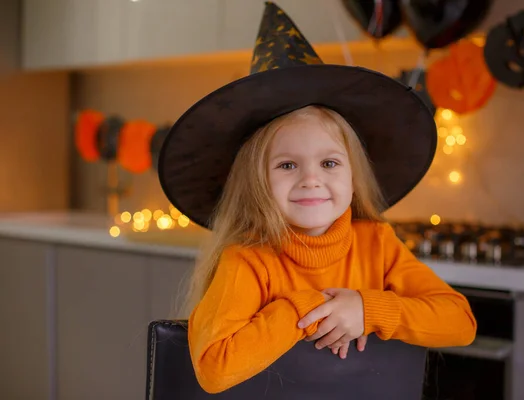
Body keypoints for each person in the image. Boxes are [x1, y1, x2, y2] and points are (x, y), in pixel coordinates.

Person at [157, 1, 477, 395]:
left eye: (328, 163)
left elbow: (460, 321)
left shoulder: (377, 245)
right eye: (288, 166)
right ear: (256, 182)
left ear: (354, 177)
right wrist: (304, 308)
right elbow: (213, 367)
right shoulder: (249, 260)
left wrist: (365, 309)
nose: (311, 180)